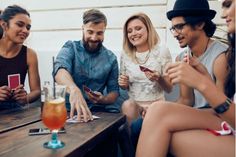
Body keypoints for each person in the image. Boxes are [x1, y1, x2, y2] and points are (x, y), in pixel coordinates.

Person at [136, 0, 235, 156]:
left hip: (218, 117)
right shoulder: (182, 57)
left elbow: (222, 108)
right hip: (196, 114)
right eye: (173, 28)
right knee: (147, 118)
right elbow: (186, 100)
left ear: (200, 24)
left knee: (157, 116)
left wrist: (200, 81)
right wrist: (165, 109)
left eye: (180, 27)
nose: (175, 33)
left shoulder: (220, 57)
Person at [53, 9, 120, 122]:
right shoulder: (70, 47)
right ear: (82, 29)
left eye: (99, 33)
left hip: (97, 112)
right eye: (90, 32)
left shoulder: (111, 58)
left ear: (104, 31)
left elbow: (114, 92)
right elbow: (59, 71)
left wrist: (103, 99)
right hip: (67, 111)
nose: (94, 38)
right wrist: (74, 90)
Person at [118, 13, 172, 126]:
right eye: (129, 31)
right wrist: (123, 83)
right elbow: (125, 86)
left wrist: (159, 78)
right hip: (134, 107)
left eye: (138, 29)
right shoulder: (125, 54)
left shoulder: (162, 51)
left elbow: (169, 88)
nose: (134, 34)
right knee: (128, 105)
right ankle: (130, 142)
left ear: (148, 29)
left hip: (157, 105)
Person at [0, 5, 41, 110]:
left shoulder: (30, 55)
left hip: (16, 113)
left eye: (28, 27)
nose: (25, 31)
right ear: (4, 25)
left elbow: (36, 91)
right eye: (20, 25)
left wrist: (25, 98)